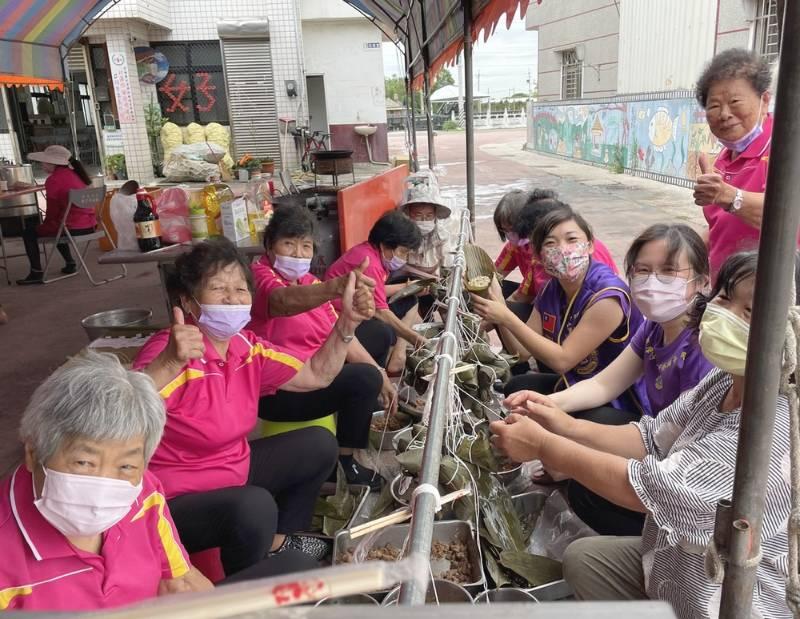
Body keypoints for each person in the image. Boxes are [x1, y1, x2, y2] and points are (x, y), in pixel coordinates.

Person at [491, 251, 792, 619]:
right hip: (674, 563)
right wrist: (559, 422)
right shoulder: (725, 381)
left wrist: (543, 445)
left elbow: (647, 488)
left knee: (591, 493)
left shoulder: (770, 429)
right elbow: (651, 437)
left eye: (749, 313)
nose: (726, 315)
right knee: (585, 558)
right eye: (726, 298)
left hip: (720, 599)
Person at [134, 237, 375, 573]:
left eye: (240, 289)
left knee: (318, 445)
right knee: (254, 507)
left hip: (234, 471)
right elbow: (120, 418)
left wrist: (347, 323)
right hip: (174, 497)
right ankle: (245, 586)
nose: (232, 299)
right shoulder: (171, 351)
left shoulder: (245, 347)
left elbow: (316, 374)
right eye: (218, 288)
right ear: (188, 301)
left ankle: (278, 541)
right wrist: (164, 367)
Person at [0, 352, 213, 611]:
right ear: (33, 454)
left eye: (126, 466)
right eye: (84, 463)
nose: (104, 485)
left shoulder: (144, 493)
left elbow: (179, 581)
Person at [550, 224, 714, 536]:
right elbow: (603, 385)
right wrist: (543, 406)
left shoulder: (703, 345)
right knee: (579, 421)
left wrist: (566, 453)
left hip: (684, 466)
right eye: (643, 270)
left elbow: (686, 447)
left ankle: (654, 541)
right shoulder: (654, 327)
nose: (653, 282)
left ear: (702, 281)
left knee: (586, 490)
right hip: (655, 438)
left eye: (668, 271)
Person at [249, 206, 391, 489]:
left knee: (377, 334)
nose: (298, 254)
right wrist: (334, 288)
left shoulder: (309, 281)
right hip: (282, 389)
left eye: (305, 246)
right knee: (364, 379)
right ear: (269, 245)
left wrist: (381, 372)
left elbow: (339, 331)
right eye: (288, 244)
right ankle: (343, 463)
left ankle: (358, 409)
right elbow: (282, 301)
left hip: (319, 370)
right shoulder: (258, 277)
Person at [473, 203, 647, 419]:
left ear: (590, 245)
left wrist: (507, 316)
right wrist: (499, 304)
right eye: (550, 243)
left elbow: (562, 361)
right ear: (539, 256)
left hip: (621, 396)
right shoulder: (551, 288)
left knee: (581, 419)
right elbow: (521, 353)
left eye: (572, 239)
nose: (563, 249)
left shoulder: (608, 296)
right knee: (518, 387)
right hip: (577, 383)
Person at [692, 48, 798, 281]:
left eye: (735, 101)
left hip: (771, 296)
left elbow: (788, 215)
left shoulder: (788, 148)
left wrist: (728, 196)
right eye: (714, 106)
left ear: (765, 100)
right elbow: (721, 227)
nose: (724, 114)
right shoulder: (723, 157)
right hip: (727, 292)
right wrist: (683, 252)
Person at [325, 210, 424, 374]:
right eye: (402, 252)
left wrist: (407, 287)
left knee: (410, 300)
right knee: (384, 332)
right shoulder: (370, 262)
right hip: (337, 319)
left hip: (354, 308)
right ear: (385, 245)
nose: (404, 259)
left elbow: (376, 291)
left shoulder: (371, 253)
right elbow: (380, 311)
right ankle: (381, 370)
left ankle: (398, 353)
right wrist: (416, 339)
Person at [17, 145, 96, 285]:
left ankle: (36, 272)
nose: (41, 164)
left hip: (71, 228)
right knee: (58, 226)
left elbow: (52, 214)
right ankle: (70, 263)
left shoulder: (54, 180)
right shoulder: (77, 174)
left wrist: (43, 227)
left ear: (51, 162)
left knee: (30, 232)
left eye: (43, 161)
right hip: (90, 225)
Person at [398, 170, 453, 320]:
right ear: (409, 213)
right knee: (420, 312)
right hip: (409, 283)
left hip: (435, 280)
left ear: (435, 215)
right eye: (418, 216)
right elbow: (397, 264)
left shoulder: (440, 234)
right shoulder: (401, 235)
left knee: (446, 305)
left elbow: (447, 260)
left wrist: (443, 279)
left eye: (428, 216)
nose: (424, 220)